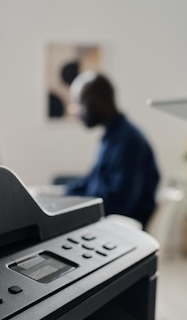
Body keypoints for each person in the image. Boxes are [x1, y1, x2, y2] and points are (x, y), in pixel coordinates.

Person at [65, 71, 160, 229]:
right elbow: (92, 181)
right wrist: (60, 195)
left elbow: (121, 204)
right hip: (106, 220)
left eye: (79, 103)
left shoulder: (129, 142)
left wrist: (77, 206)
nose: (76, 111)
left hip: (121, 228)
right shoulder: (112, 137)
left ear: (96, 103)